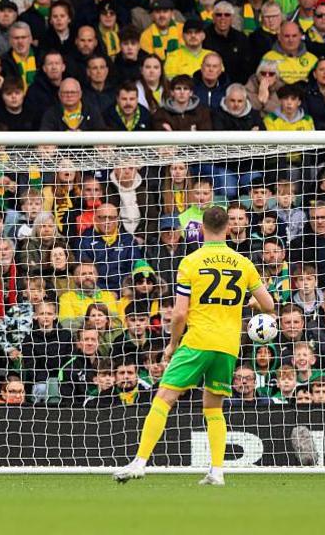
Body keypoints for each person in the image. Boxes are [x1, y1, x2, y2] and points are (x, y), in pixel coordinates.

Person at [114, 206, 274, 486]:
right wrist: (247, 302)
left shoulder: (190, 261)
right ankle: (217, 471)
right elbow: (269, 305)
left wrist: (173, 344)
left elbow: (178, 314)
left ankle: (139, 463)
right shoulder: (244, 263)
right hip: (227, 345)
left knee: (163, 397)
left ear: (201, 228)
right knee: (214, 408)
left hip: (198, 341)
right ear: (228, 228)